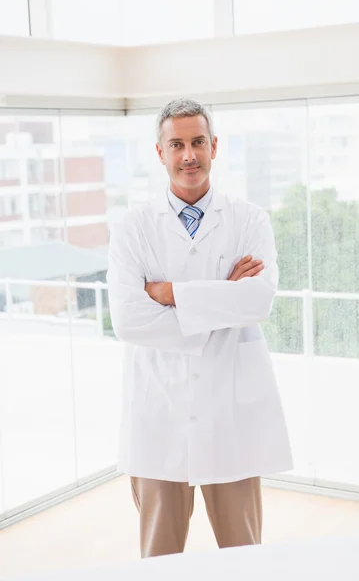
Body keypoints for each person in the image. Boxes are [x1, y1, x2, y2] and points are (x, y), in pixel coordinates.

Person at [107, 98, 293, 558]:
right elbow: (130, 321)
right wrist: (220, 300)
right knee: (160, 557)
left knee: (244, 553)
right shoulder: (133, 228)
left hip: (230, 413)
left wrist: (171, 294)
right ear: (160, 153)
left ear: (214, 147)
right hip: (158, 414)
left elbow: (258, 300)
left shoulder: (249, 220)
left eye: (197, 142)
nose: (189, 155)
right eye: (177, 145)